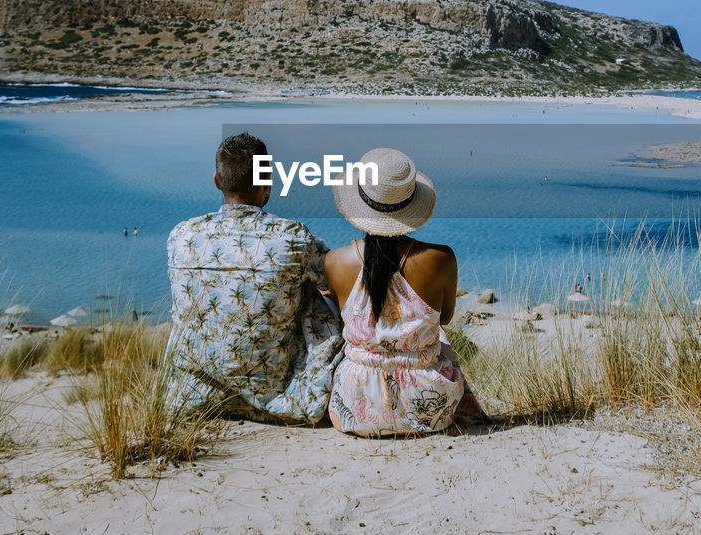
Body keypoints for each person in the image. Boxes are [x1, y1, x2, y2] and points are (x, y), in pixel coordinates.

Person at [164, 132, 342, 423]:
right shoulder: (292, 238)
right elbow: (335, 281)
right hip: (273, 396)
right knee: (313, 291)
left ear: (217, 181)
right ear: (267, 179)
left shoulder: (182, 235)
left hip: (191, 397)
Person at [324, 147, 486, 435]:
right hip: (430, 408)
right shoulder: (441, 258)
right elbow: (445, 318)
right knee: (441, 336)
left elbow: (343, 321)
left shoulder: (336, 261)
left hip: (355, 408)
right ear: (410, 205)